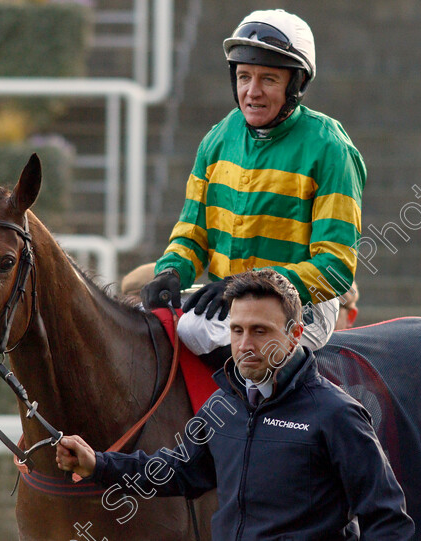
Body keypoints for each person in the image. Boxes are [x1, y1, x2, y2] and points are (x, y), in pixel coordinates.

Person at [57, 269, 415, 540]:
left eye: (260, 331)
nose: (245, 345)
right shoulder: (223, 406)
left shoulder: (337, 413)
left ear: (294, 336)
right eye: (237, 330)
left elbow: (386, 519)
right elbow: (179, 471)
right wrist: (99, 464)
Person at [139, 8, 366, 366]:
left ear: (298, 84)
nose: (252, 91)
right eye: (244, 77)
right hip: (227, 303)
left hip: (299, 310)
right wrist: (171, 271)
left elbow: (335, 267)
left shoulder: (330, 148)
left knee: (220, 339)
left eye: (268, 80)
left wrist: (246, 287)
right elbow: (191, 235)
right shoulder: (218, 138)